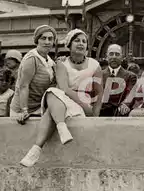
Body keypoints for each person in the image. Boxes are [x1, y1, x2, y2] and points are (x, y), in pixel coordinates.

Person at [20, 29, 103, 167]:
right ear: (69, 45)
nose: (81, 44)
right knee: (53, 93)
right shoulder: (61, 63)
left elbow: (99, 94)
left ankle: (37, 148)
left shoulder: (95, 65)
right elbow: (64, 89)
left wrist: (95, 115)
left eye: (84, 41)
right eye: (77, 41)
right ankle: (59, 128)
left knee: (51, 100)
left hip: (83, 106)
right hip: (64, 102)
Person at [10, 25, 57, 124]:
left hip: (38, 108)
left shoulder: (50, 61)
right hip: (22, 110)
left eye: (50, 39)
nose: (47, 42)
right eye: (43, 38)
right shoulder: (32, 59)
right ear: (37, 40)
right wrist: (24, 110)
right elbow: (23, 86)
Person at [100, 44, 137, 116]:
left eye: (117, 54)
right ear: (106, 57)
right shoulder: (99, 75)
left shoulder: (130, 76)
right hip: (101, 114)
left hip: (121, 115)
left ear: (122, 57)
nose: (114, 57)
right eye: (111, 54)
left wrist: (126, 104)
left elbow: (130, 94)